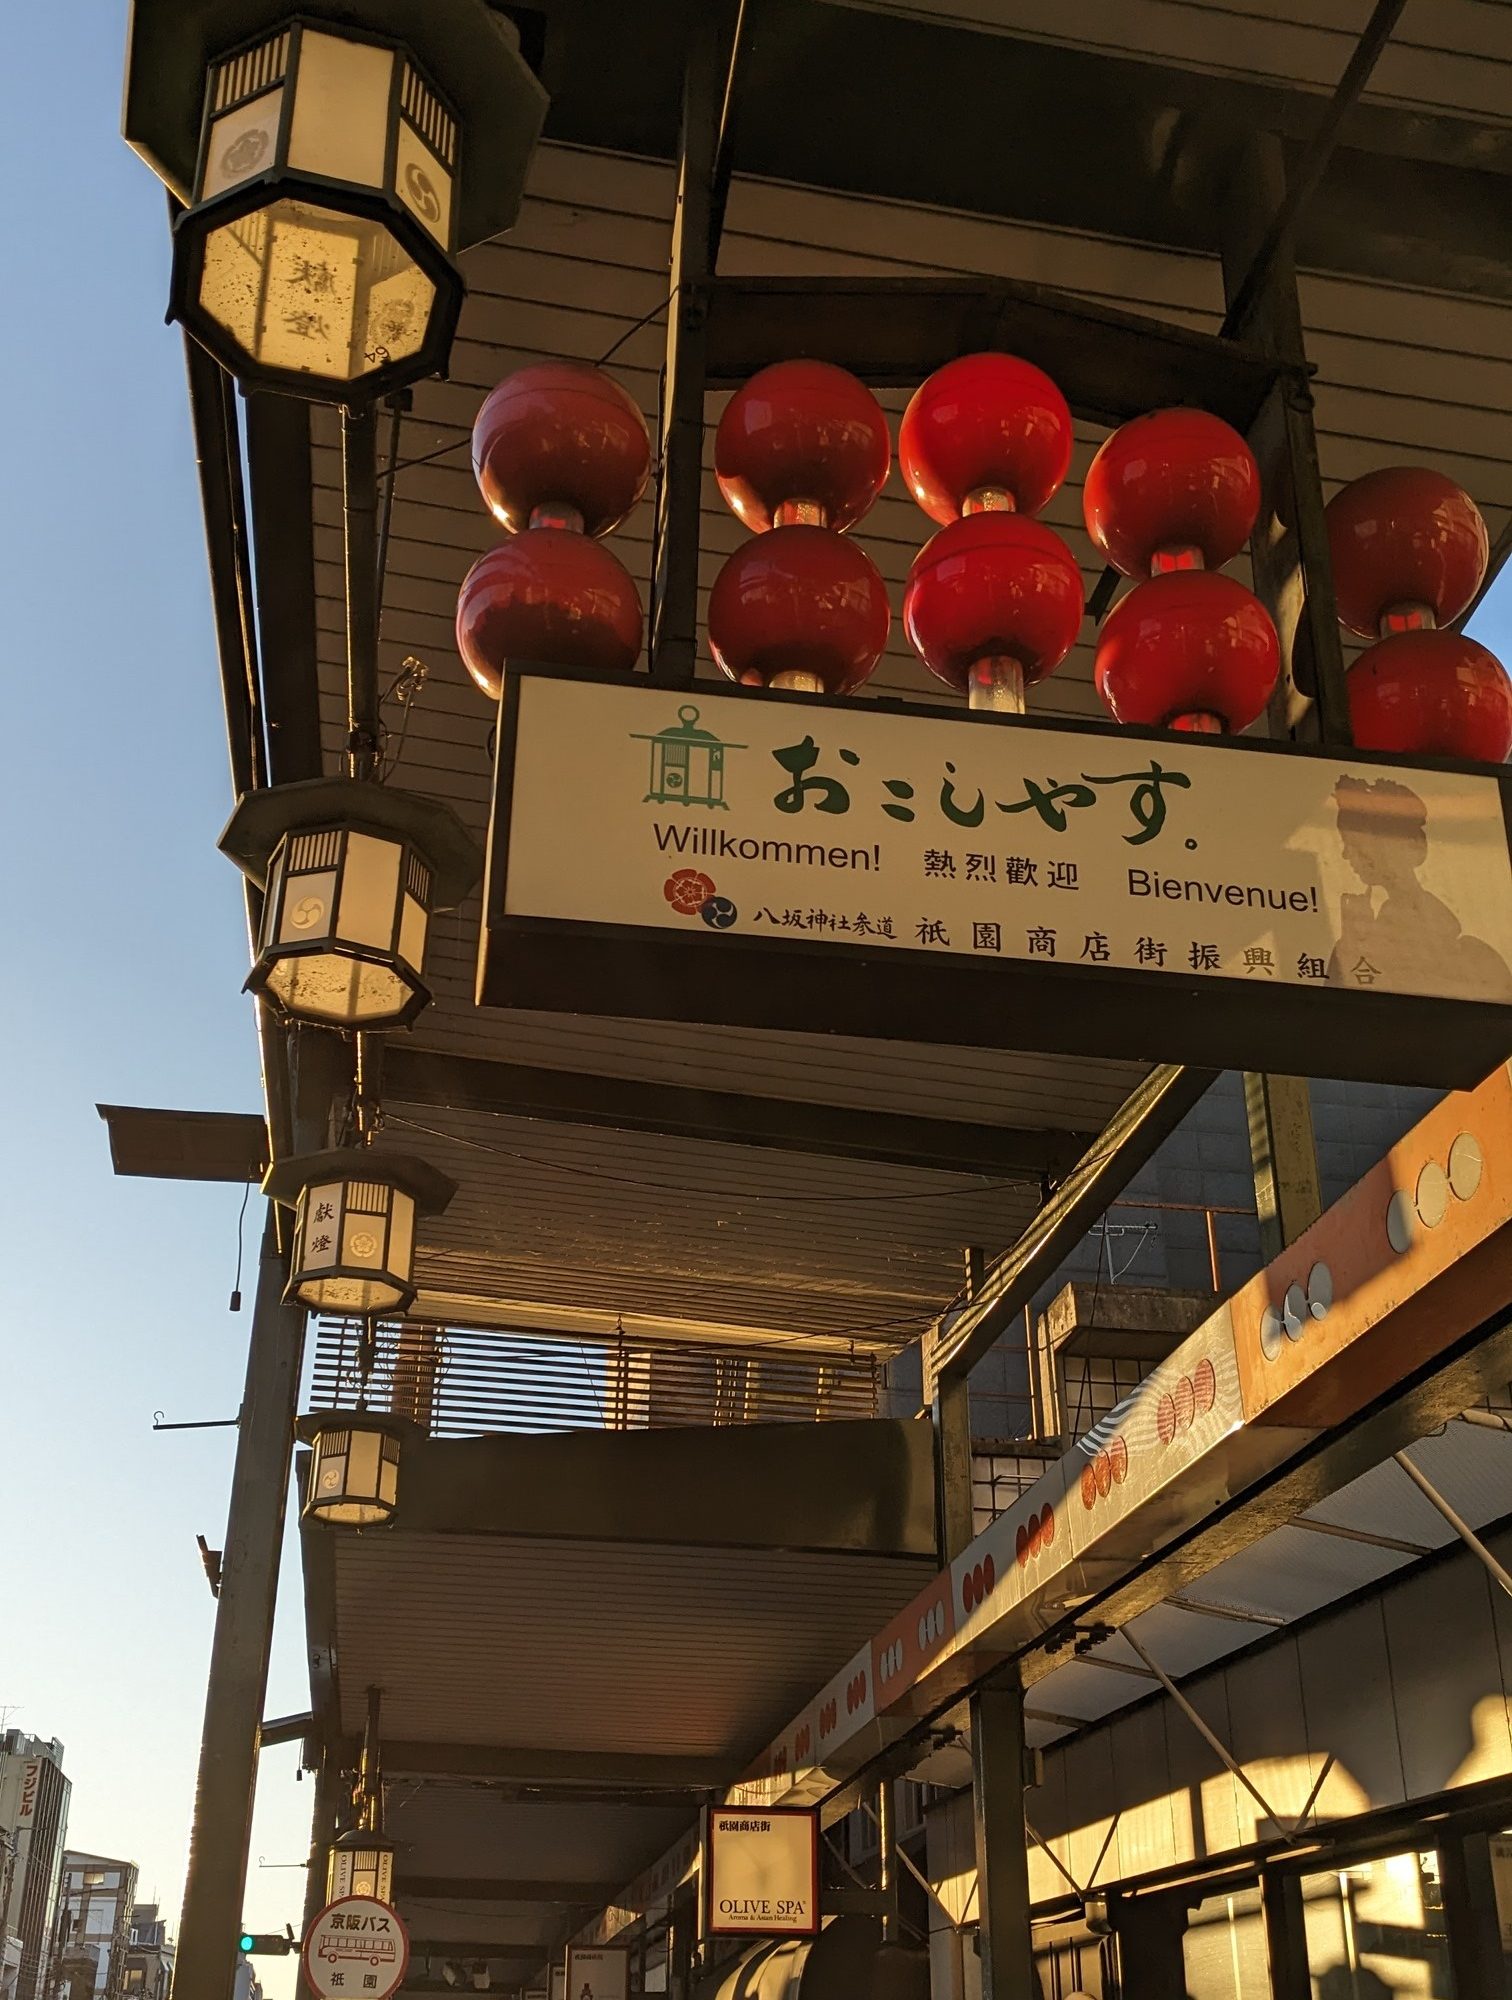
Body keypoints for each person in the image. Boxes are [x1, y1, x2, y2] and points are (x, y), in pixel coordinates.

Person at [1326, 775, 1512, 1001]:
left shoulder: (1475, 956)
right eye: (1346, 843)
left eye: (1356, 842)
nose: (1346, 854)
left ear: (1412, 844)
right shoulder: (1352, 941)